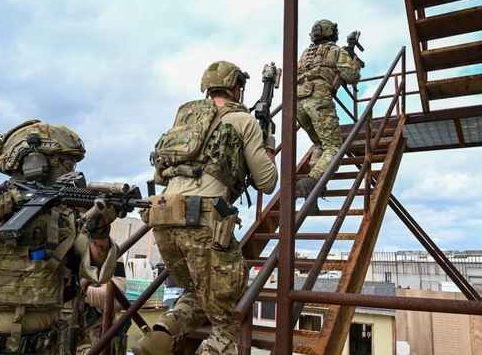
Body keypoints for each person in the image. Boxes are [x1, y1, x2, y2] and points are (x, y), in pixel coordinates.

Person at [0, 120, 119, 354]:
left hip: (47, 346)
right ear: (35, 161)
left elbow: (99, 274)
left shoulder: (64, 217)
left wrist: (100, 232)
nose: (73, 173)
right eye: (68, 164)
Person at [133, 61, 278, 355]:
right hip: (201, 224)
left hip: (162, 219)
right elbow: (267, 182)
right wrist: (269, 145)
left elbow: (161, 175)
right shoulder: (243, 121)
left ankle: (157, 339)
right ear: (237, 87)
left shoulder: (184, 121)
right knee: (229, 319)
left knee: (197, 293)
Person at [296, 19, 362, 215]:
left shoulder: (305, 54)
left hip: (299, 103)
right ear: (332, 33)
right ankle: (314, 179)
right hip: (319, 101)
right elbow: (351, 76)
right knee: (334, 146)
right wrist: (355, 64)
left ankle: (313, 191)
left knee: (320, 145)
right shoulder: (334, 50)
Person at [75, 256, 128, 355]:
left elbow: (116, 301)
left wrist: (74, 290)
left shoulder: (107, 249)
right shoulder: (48, 244)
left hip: (93, 340)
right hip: (52, 336)